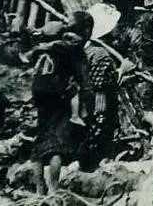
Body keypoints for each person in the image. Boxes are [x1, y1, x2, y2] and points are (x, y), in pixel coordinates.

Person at [28, 11, 93, 194]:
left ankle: (39, 190)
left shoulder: (53, 43)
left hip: (40, 93)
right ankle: (54, 189)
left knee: (40, 140)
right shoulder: (75, 48)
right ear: (87, 30)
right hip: (59, 97)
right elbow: (83, 79)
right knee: (57, 145)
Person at [78, 4, 122, 172]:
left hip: (86, 98)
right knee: (99, 130)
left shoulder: (87, 49)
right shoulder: (100, 54)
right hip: (98, 100)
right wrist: (122, 71)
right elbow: (100, 84)